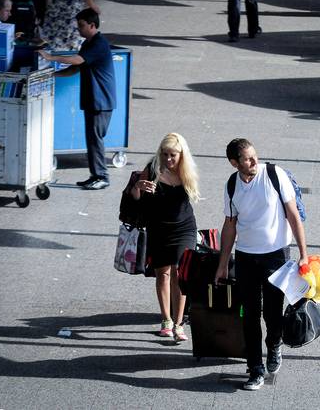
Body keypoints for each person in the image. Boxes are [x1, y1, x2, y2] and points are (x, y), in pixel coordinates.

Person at [214, 138, 308, 390]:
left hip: (276, 255)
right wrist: (223, 263)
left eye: (254, 156)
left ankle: (274, 345)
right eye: (247, 158)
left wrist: (303, 254)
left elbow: (293, 215)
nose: (254, 161)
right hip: (245, 256)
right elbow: (230, 225)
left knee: (272, 313)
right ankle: (255, 368)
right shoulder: (232, 184)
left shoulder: (274, 175)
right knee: (250, 315)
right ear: (235, 163)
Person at [131, 133, 201, 343]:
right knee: (163, 274)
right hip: (158, 229)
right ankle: (166, 320)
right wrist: (138, 188)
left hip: (184, 228)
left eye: (173, 155)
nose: (168, 159)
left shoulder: (186, 171)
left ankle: (179, 324)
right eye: (165, 154)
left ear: (181, 155)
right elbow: (134, 199)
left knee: (180, 274)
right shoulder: (152, 169)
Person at [38, 8, 116, 190]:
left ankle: (102, 176)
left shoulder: (99, 44)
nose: (78, 29)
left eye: (81, 26)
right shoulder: (88, 44)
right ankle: (95, 175)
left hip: (101, 101)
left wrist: (50, 57)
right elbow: (75, 69)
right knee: (92, 139)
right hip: (92, 100)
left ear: (92, 25)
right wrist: (53, 75)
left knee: (95, 139)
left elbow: (76, 61)